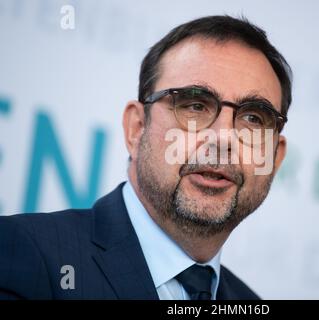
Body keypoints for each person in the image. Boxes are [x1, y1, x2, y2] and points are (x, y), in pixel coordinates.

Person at [0, 15, 292, 300]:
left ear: (275, 159)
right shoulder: (24, 254)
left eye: (254, 117)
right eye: (194, 105)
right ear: (136, 128)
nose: (223, 138)